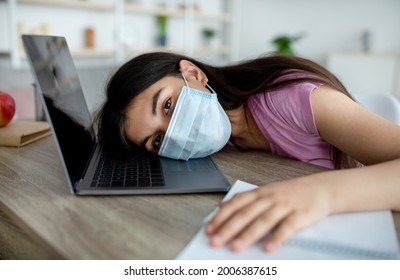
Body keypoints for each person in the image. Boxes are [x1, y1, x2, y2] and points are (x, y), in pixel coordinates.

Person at [96, 52, 400, 253]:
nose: (174, 130)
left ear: (193, 73)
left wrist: (320, 192)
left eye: (167, 105)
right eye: (157, 140)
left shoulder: (295, 98)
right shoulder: (226, 137)